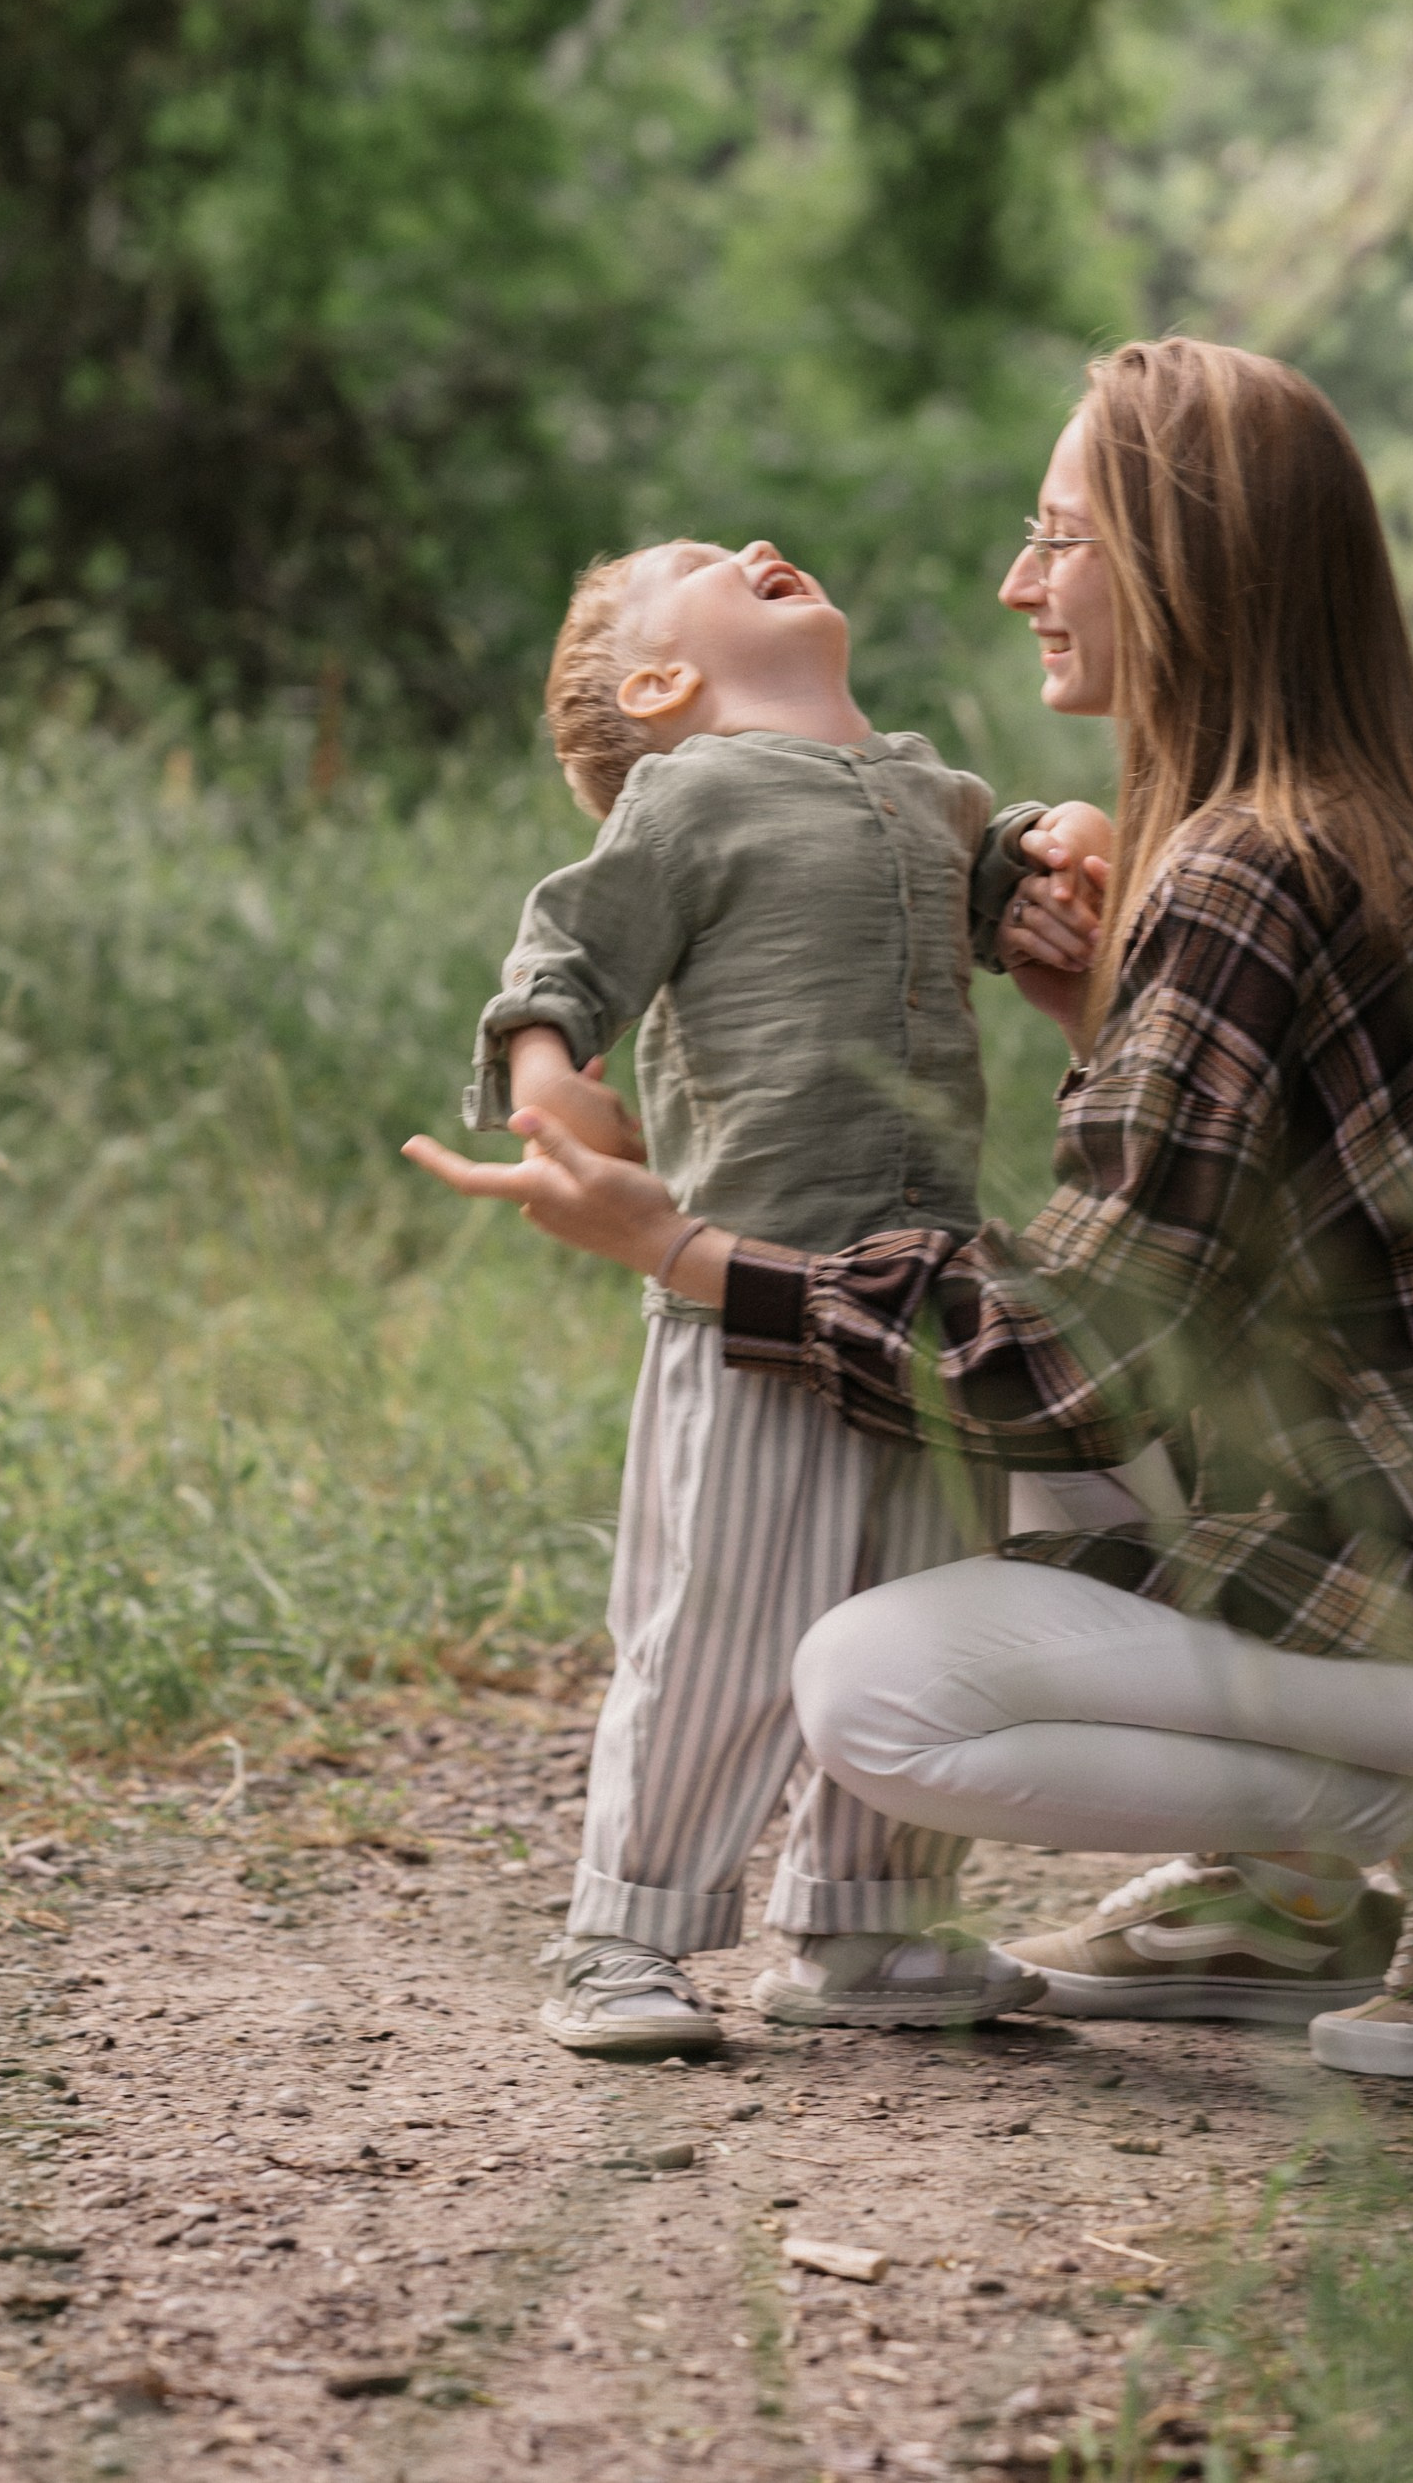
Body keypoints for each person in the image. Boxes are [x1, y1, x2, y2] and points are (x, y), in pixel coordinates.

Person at [420, 347, 1413, 2081]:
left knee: (871, 1684)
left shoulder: (1237, 868)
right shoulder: (1347, 828)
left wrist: (685, 1257)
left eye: (1060, 539)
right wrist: (1096, 1036)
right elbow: (1225, 1280)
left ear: (1184, 568)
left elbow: (1074, 1362)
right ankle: (1281, 1896)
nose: (1016, 582)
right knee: (1007, 1448)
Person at [406, 530, 1109, 2055]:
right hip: (750, 1300)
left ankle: (867, 1932)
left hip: (927, 1306)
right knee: (719, 1624)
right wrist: (550, 1088)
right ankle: (626, 1930)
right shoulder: (688, 798)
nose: (758, 547)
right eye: (708, 561)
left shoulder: (936, 791)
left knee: (924, 1604)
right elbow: (565, 954)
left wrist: (1046, 878)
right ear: (660, 684)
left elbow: (991, 896)